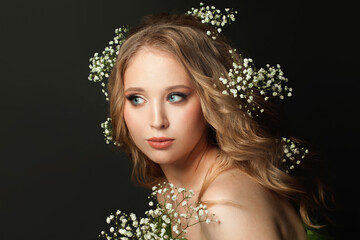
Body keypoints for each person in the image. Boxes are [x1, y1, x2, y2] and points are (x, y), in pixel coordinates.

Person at [92, 6, 332, 240]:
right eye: (137, 99)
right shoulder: (174, 189)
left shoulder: (226, 211)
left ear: (211, 99)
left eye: (175, 97)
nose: (156, 121)